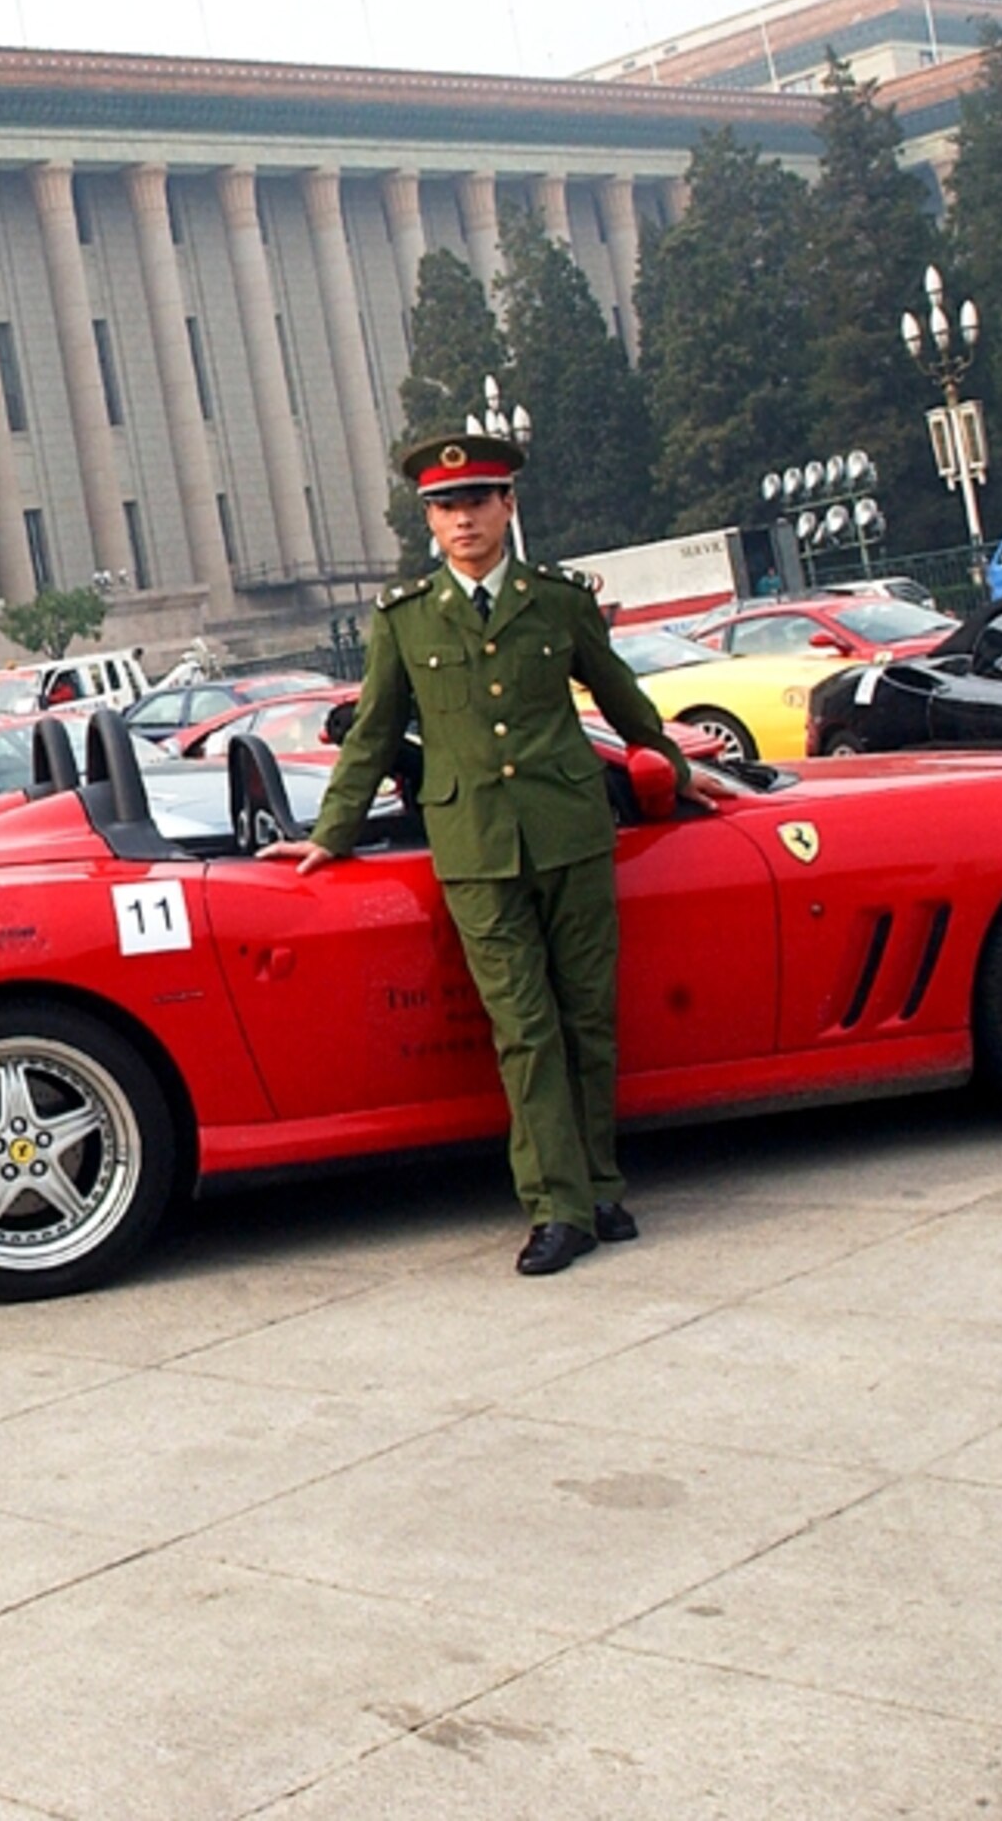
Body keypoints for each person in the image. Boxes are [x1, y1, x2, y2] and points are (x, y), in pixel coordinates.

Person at [262, 432, 688, 1277]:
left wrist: (671, 764)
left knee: (589, 1017)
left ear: (508, 507)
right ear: (429, 519)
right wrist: (331, 833)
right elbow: (375, 733)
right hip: (476, 849)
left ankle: (602, 1185)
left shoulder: (558, 600)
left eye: (479, 502)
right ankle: (556, 1207)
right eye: (447, 507)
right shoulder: (405, 618)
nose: (465, 519)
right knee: (524, 1030)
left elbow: (620, 694)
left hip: (568, 830)